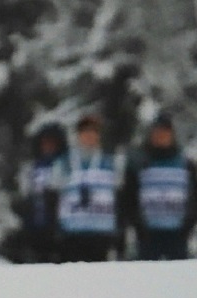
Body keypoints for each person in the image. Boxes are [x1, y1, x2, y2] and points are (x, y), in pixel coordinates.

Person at [121, 113, 196, 261]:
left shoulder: (186, 164)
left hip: (178, 235)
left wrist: (187, 226)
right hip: (148, 236)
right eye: (157, 132)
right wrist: (138, 227)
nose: (161, 136)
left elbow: (194, 198)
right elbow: (129, 198)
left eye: (165, 132)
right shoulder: (139, 164)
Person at [54, 113, 121, 263]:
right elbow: (54, 194)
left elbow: (120, 195)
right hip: (72, 234)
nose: (89, 136)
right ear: (78, 135)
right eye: (85, 132)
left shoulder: (110, 162)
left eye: (93, 132)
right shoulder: (64, 163)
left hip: (101, 234)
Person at [11, 122, 67, 264]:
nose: (48, 147)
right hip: (34, 225)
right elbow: (23, 194)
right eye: (45, 143)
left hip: (59, 226)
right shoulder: (30, 168)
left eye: (52, 143)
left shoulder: (64, 166)